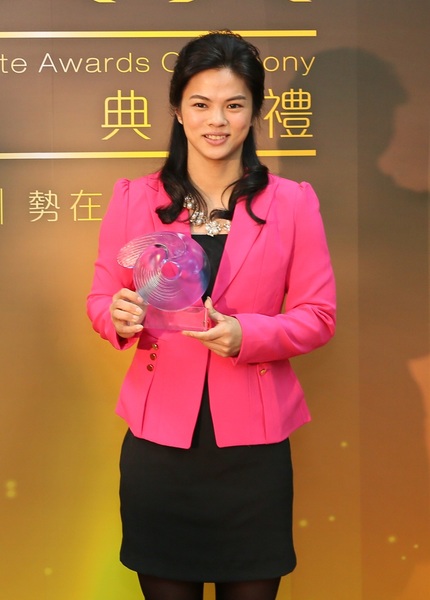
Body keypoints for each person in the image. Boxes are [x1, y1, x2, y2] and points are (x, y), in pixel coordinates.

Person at [87, 30, 336, 600]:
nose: (216, 121)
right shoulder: (134, 198)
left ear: (255, 112)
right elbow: (101, 298)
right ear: (178, 110)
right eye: (200, 104)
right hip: (159, 448)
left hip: (253, 453)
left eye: (234, 105)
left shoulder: (293, 202)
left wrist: (248, 334)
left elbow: (319, 315)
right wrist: (116, 316)